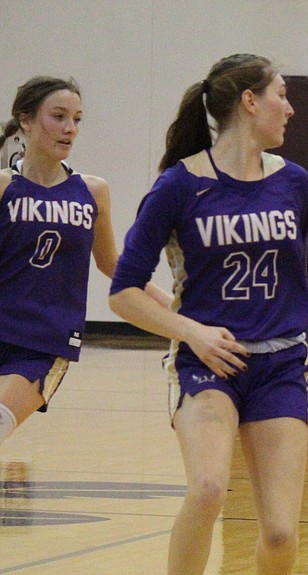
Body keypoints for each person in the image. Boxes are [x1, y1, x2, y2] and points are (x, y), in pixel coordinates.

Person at [112, 53, 308, 575]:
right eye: (282, 94)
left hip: (280, 363)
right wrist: (192, 331)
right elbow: (124, 291)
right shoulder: (180, 186)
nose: (290, 106)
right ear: (249, 103)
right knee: (206, 488)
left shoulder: (295, 183)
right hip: (208, 361)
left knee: (280, 532)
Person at [0, 76, 169, 448]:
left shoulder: (93, 192)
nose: (70, 128)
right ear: (25, 121)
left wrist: (177, 309)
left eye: (77, 119)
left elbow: (114, 267)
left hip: (44, 342)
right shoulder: (4, 187)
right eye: (58, 116)